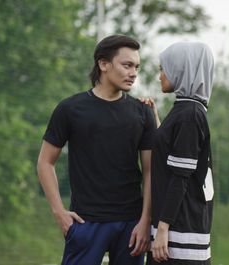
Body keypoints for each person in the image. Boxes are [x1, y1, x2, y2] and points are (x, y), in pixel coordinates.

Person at [37, 34, 156, 265]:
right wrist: (59, 213)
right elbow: (45, 162)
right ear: (103, 64)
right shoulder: (70, 109)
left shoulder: (143, 113)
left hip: (131, 226)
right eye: (127, 65)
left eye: (137, 67)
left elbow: (151, 171)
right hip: (84, 223)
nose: (134, 73)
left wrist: (145, 221)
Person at [141, 42, 215, 265]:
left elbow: (180, 176)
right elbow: (174, 153)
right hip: (177, 228)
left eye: (164, 69)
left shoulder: (189, 114)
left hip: (179, 234)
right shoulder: (187, 109)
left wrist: (163, 228)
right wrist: (157, 121)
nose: (161, 76)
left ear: (181, 70)